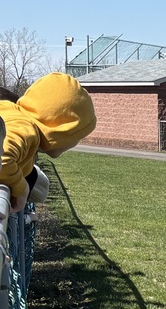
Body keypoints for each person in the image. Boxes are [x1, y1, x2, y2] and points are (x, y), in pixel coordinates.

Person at [0, 72, 96, 212]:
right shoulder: (24, 127)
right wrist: (21, 188)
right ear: (61, 129)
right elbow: (3, 158)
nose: (76, 143)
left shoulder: (13, 113)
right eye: (77, 136)